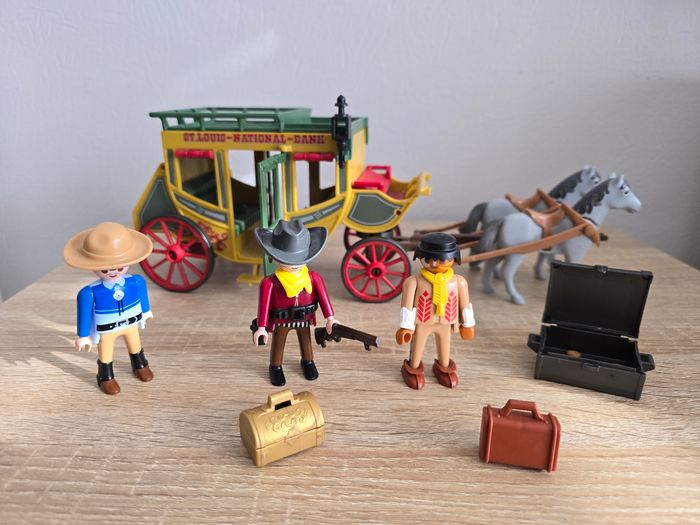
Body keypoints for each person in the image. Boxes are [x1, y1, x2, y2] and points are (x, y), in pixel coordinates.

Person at [63, 222, 154, 395]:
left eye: (120, 267)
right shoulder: (89, 292)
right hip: (107, 329)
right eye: (104, 269)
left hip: (131, 323)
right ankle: (105, 376)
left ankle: (140, 365)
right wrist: (83, 336)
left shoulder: (135, 281)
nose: (113, 272)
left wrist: (146, 311)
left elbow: (143, 296)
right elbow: (84, 314)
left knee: (135, 344)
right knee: (106, 352)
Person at [252, 220, 337, 386]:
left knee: (306, 342)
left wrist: (330, 318)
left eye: (299, 259)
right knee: (278, 344)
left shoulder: (313, 278)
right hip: (281, 320)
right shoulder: (270, 283)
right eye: (288, 259)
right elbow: (264, 306)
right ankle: (275, 367)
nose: (295, 264)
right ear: (273, 256)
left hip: (304, 318)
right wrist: (261, 327)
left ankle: (308, 362)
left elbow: (324, 298)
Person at [395, 232, 475, 390]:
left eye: (442, 260)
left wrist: (467, 324)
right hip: (422, 321)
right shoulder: (413, 282)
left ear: (454, 258)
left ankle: (444, 368)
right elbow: (407, 306)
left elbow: (465, 304)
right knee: (417, 347)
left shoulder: (459, 282)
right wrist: (405, 327)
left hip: (445, 321)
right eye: (429, 260)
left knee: (445, 347)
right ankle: (413, 368)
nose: (435, 264)